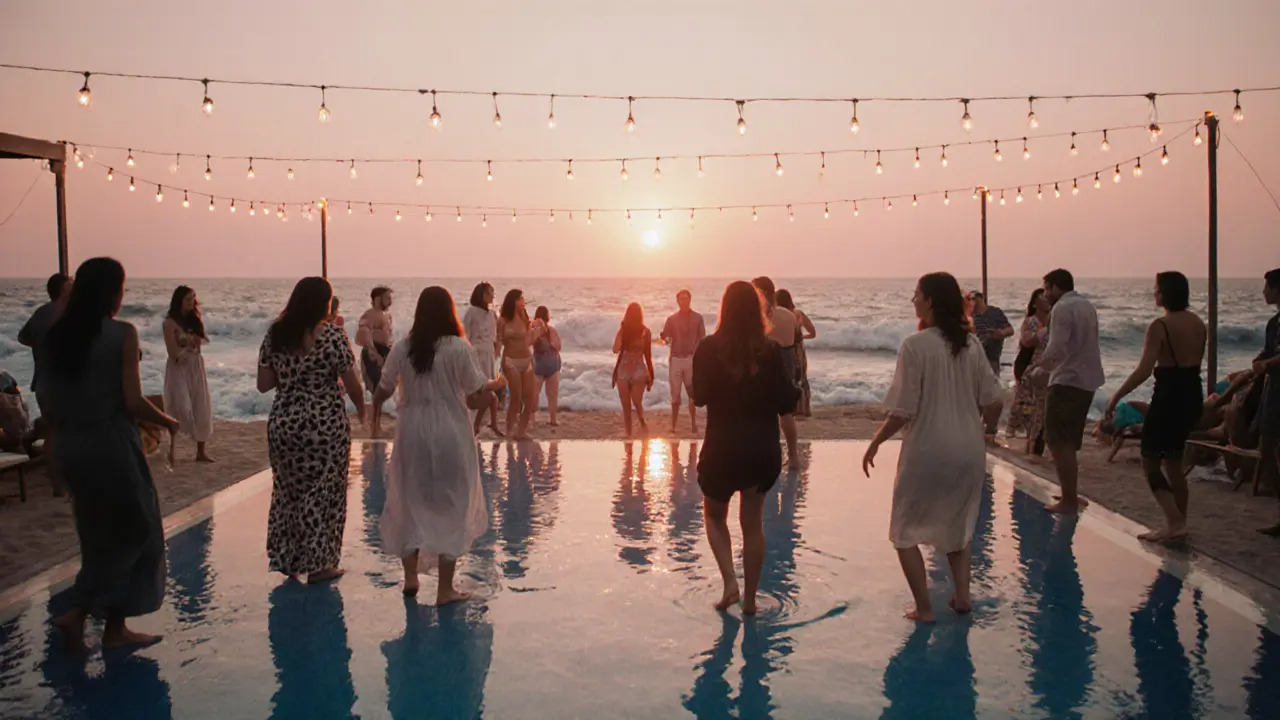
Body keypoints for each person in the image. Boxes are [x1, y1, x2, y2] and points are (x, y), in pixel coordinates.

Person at [41, 257, 180, 651]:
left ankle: (114, 629)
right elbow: (133, 401)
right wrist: (167, 420)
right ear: (112, 293)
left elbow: (48, 405)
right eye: (121, 288)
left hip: (71, 446)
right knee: (140, 530)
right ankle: (79, 611)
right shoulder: (121, 334)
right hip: (110, 445)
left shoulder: (55, 337)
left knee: (97, 534)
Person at [862, 272, 1003, 623]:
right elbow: (994, 397)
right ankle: (963, 597)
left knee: (904, 531)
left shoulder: (916, 345)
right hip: (969, 449)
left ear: (929, 302)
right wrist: (985, 429)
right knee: (958, 526)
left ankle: (924, 609)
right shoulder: (970, 345)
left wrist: (876, 441)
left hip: (928, 448)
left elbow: (904, 409)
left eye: (916, 295)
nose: (913, 301)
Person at [372, 287, 507, 604]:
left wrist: (374, 415)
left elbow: (384, 387)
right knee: (452, 501)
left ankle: (410, 578)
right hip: (450, 430)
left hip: (412, 430)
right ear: (448, 312)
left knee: (409, 498)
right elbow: (474, 394)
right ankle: (445, 589)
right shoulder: (458, 347)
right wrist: (496, 386)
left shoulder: (403, 347)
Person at [692, 280, 800, 614]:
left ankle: (729, 584)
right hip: (760, 449)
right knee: (752, 523)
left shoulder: (709, 349)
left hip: (723, 448)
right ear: (757, 311)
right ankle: (752, 599)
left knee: (713, 515)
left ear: (724, 309)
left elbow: (699, 397)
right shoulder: (768, 351)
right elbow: (786, 402)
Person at [258, 277, 366, 584]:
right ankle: (320, 565)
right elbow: (352, 380)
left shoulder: (276, 333)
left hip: (284, 423)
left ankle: (288, 561)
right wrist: (360, 409)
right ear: (324, 303)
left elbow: (264, 384)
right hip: (324, 424)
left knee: (287, 492)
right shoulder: (331, 334)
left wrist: (293, 376)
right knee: (324, 492)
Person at [1105, 272, 1206, 543]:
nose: (1154, 293)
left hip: (1169, 398)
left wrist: (1117, 396)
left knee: (1150, 462)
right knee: (1173, 462)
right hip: (1192, 396)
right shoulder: (1198, 323)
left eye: (1156, 289)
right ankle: (1179, 524)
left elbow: (1144, 370)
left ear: (1164, 293)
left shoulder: (1160, 326)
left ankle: (1174, 522)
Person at [1028, 269, 1106, 514]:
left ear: (1056, 287)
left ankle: (1070, 500)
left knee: (1058, 440)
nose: (1045, 294)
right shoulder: (1086, 306)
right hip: (1088, 378)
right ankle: (1071, 493)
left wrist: (1041, 370)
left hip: (1068, 379)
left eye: (1047, 289)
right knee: (1070, 441)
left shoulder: (1061, 308)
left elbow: (1057, 347)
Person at [18, 272, 72, 496]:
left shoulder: (41, 312)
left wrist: (40, 349)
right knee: (68, 434)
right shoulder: (65, 314)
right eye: (71, 285)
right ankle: (69, 483)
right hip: (62, 383)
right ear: (63, 290)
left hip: (42, 382)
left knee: (52, 435)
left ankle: (57, 488)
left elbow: (22, 337)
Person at [752, 277, 803, 469]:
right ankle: (793, 456)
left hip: (768, 360)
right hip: (788, 360)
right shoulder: (788, 315)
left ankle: (767, 453)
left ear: (761, 292)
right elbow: (797, 341)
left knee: (764, 411)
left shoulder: (761, 316)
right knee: (786, 412)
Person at [162, 285, 214, 464]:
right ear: (179, 301)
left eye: (193, 298)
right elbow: (172, 352)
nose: (191, 302)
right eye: (187, 299)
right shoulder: (169, 323)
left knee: (201, 405)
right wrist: (186, 345)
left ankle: (201, 451)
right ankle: (171, 450)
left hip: (195, 365)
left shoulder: (194, 320)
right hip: (178, 368)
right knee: (180, 406)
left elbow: (203, 341)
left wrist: (195, 341)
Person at [1007, 289, 1051, 454]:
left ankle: (1036, 446)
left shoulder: (1057, 320)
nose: (1046, 300)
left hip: (1050, 372)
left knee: (1042, 412)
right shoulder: (1031, 322)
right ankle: (1030, 446)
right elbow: (1027, 341)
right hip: (1031, 371)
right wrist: (1044, 331)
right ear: (1035, 303)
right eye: (1042, 298)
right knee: (1029, 410)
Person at [1254, 269, 1280, 536]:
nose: (1264, 292)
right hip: (1273, 392)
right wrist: (1259, 360)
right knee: (1268, 447)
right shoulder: (1274, 323)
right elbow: (1270, 350)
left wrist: (1266, 364)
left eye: (1267, 287)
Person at [660, 290, 707, 434]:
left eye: (686, 299)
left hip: (691, 358)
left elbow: (702, 338)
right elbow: (666, 338)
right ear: (677, 301)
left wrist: (700, 358)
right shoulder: (672, 319)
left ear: (690, 300)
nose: (684, 302)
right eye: (681, 299)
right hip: (676, 358)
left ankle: (693, 424)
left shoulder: (698, 318)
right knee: (675, 395)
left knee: (692, 393)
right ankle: (673, 426)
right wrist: (665, 338)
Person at [462, 283, 503, 437]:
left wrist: (497, 349)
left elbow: (497, 335)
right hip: (476, 354)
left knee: (489, 389)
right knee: (478, 390)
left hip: (489, 354)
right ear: (482, 294)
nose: (493, 295)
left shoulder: (492, 314)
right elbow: (465, 334)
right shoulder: (472, 312)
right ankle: (474, 425)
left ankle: (478, 425)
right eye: (490, 292)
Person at [498, 289, 537, 440]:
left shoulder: (525, 318)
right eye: (520, 298)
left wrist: (538, 331)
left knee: (529, 398)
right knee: (516, 396)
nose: (523, 301)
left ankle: (521, 431)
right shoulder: (503, 320)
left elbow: (528, 340)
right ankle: (509, 430)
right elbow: (498, 342)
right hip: (510, 360)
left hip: (526, 359)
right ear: (513, 301)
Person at [356, 286, 395, 437]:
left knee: (384, 387)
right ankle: (374, 427)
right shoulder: (370, 314)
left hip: (385, 352)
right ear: (378, 299)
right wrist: (374, 352)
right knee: (376, 390)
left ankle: (375, 424)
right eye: (387, 298)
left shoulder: (387, 315)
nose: (390, 301)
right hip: (374, 352)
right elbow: (363, 333)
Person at [612, 302, 655, 437]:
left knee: (636, 400)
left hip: (638, 369)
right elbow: (616, 350)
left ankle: (642, 421)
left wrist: (651, 375)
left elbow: (648, 355)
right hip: (623, 368)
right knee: (625, 405)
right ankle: (628, 433)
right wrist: (621, 332)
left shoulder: (645, 332)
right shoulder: (623, 331)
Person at [776, 290, 817, 417]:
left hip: (787, 348)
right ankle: (805, 408)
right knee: (802, 378)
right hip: (799, 349)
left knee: (788, 377)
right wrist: (802, 337)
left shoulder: (780, 316)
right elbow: (813, 333)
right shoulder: (798, 313)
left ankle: (792, 407)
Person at [532, 306, 563, 427]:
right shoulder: (552, 330)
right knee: (552, 394)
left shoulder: (533, 330)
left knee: (534, 394)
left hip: (538, 364)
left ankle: (532, 419)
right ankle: (553, 419)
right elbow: (558, 346)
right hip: (552, 363)